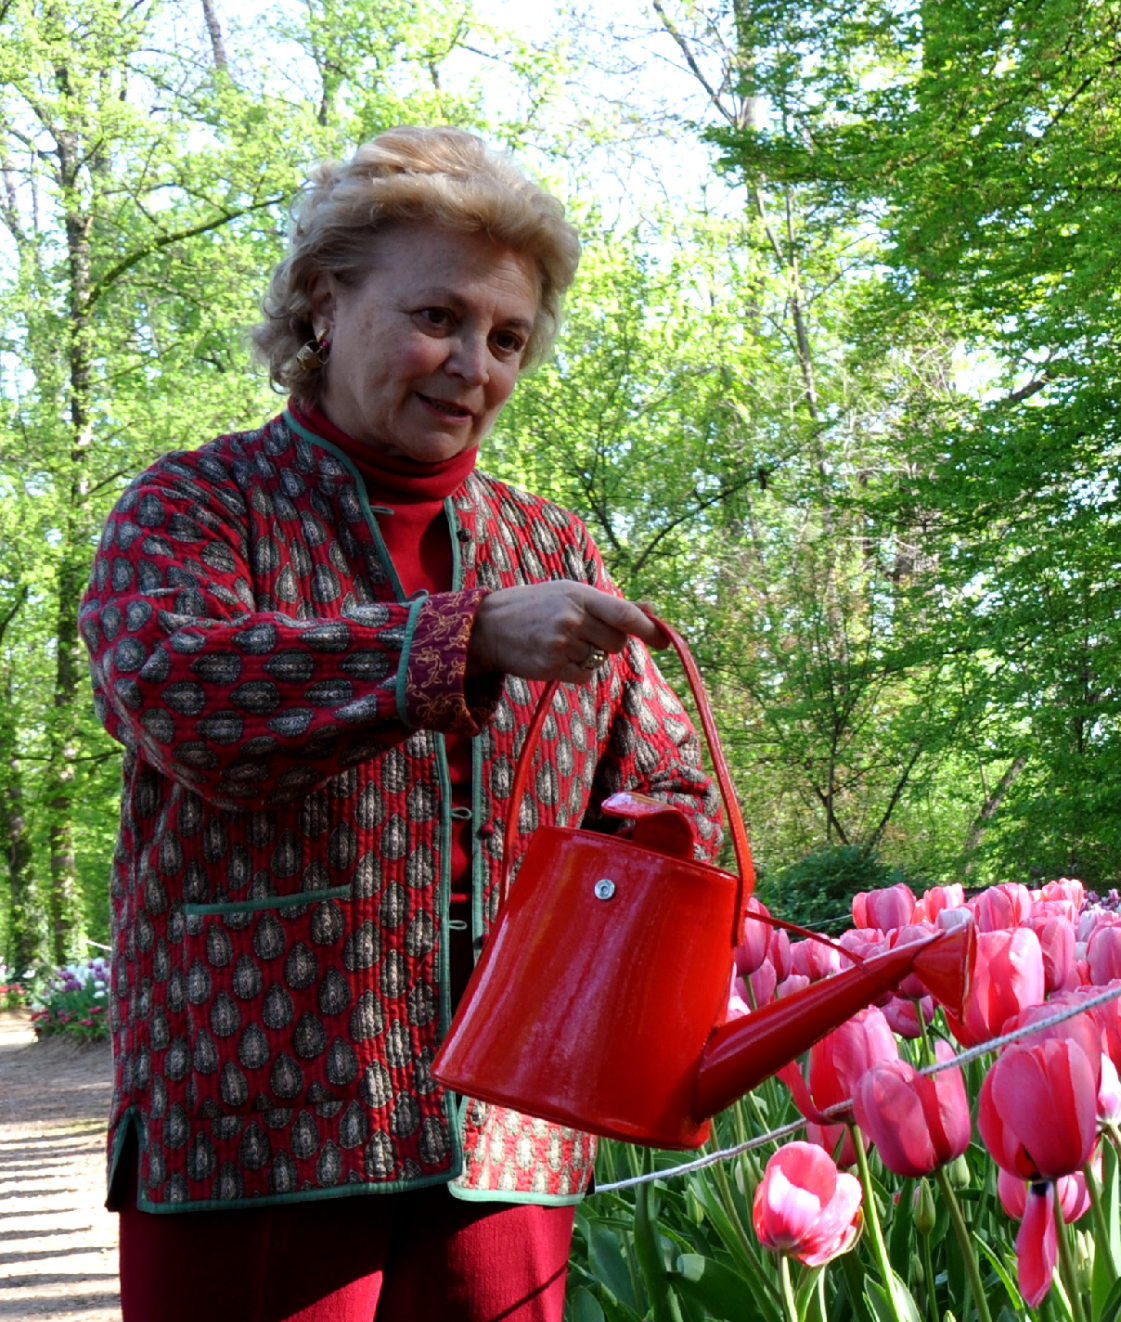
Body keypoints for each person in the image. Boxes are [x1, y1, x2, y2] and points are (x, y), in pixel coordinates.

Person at [81, 126, 723, 1321]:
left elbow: (665, 781)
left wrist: (644, 851)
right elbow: (178, 691)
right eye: (438, 316)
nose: (472, 365)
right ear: (325, 303)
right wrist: (460, 639)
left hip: (506, 1137)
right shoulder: (198, 506)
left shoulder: (551, 547)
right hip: (254, 1124)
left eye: (508, 338)